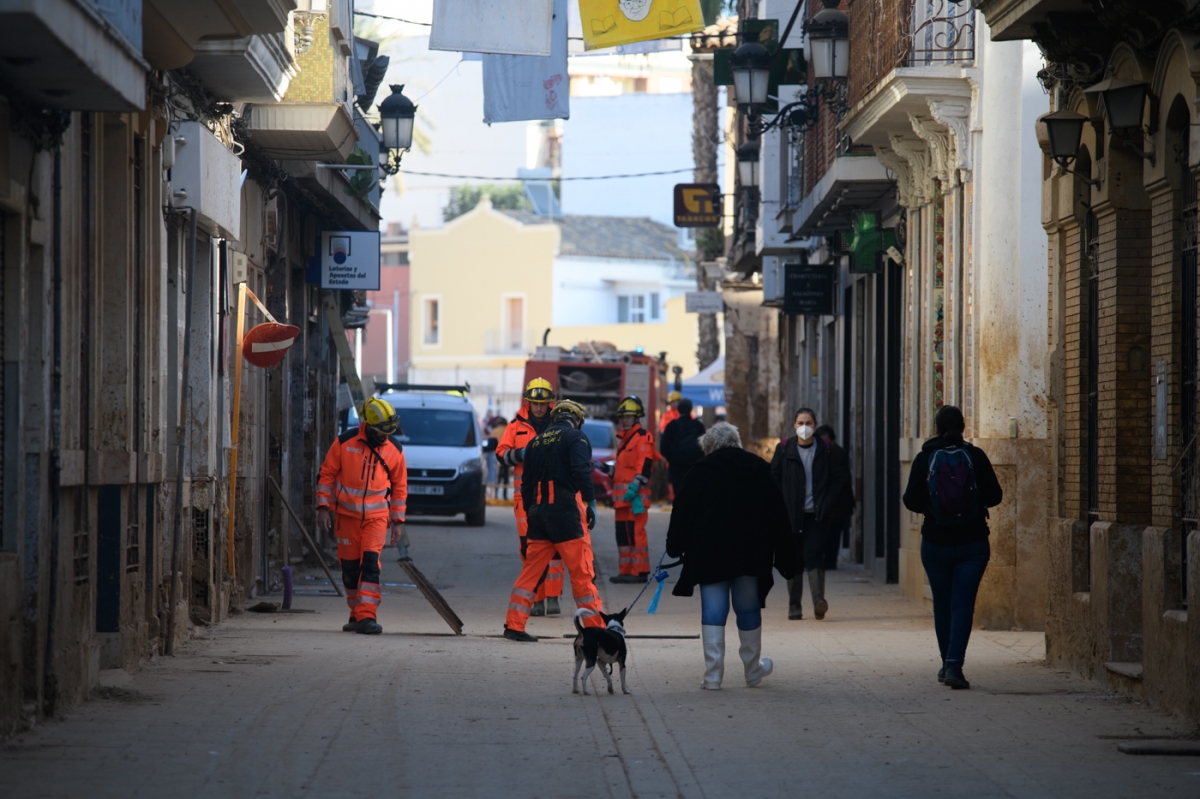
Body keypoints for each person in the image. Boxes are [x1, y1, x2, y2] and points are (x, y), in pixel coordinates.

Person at [666, 423, 794, 689]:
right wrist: (787, 555)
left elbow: (682, 511)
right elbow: (778, 513)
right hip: (750, 553)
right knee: (747, 608)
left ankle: (713, 676)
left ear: (710, 447)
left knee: (713, 609)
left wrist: (674, 546)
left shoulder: (701, 472)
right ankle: (752, 671)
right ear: (736, 442)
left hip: (709, 554)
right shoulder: (758, 468)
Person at [903, 405, 1002, 690]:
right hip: (973, 544)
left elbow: (910, 499)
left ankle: (947, 662)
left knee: (943, 606)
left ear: (936, 428)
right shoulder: (975, 456)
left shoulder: (925, 458)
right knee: (962, 605)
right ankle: (954, 666)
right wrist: (972, 505)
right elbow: (995, 495)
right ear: (963, 426)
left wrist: (934, 511)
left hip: (935, 543)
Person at [502, 400, 607, 642]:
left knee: (530, 572)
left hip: (538, 515)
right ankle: (595, 629)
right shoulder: (576, 438)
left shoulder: (535, 442)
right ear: (577, 420)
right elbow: (582, 471)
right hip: (566, 516)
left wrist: (532, 511)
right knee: (582, 574)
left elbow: (525, 484)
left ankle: (514, 625)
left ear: (554, 418)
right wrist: (591, 502)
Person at [316, 397, 408, 635]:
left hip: (377, 519)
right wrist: (323, 507)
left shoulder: (394, 449)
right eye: (381, 432)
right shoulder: (345, 443)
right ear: (369, 426)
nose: (385, 436)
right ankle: (356, 613)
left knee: (369, 565)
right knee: (349, 568)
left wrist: (397, 521)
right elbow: (326, 475)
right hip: (346, 517)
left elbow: (400, 488)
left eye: (389, 431)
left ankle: (367, 616)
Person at [495, 378, 564, 616]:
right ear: (528, 402)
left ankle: (553, 597)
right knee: (529, 549)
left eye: (542, 403)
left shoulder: (560, 424)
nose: (538, 407)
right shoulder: (516, 426)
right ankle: (537, 598)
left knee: (556, 547)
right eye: (534, 403)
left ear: (549, 403)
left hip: (555, 496)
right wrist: (523, 453)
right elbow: (501, 454)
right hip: (525, 499)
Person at [769, 408, 845, 621]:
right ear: (794, 425)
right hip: (791, 514)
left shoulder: (826, 449)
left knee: (814, 554)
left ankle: (818, 600)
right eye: (801, 422)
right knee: (793, 560)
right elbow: (774, 477)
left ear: (815, 424)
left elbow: (837, 478)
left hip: (817, 514)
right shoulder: (784, 449)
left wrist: (828, 501)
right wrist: (780, 504)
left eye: (809, 422)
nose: (805, 427)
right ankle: (794, 606)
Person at [610, 396, 660, 584]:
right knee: (622, 535)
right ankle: (626, 571)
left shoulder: (642, 438)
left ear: (637, 418)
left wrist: (633, 489)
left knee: (635, 533)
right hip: (622, 499)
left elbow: (644, 467)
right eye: (623, 417)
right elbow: (621, 472)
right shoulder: (624, 441)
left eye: (629, 417)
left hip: (636, 498)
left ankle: (640, 571)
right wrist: (604, 468)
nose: (625, 420)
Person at [815, 424, 855, 570]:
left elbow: (843, 479)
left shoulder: (839, 453)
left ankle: (831, 561)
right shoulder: (816, 453)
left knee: (834, 534)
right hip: (822, 503)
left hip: (838, 504)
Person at [659, 398, 705, 497]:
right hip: (694, 466)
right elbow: (705, 446)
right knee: (693, 494)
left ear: (678, 409)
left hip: (677, 466)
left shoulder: (672, 426)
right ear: (691, 409)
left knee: (679, 494)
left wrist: (671, 458)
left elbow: (664, 447)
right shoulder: (698, 426)